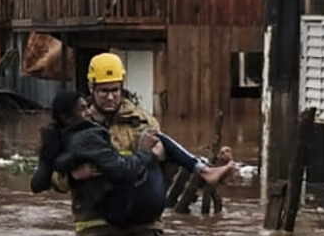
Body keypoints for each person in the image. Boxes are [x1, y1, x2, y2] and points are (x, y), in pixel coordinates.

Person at [31, 90, 233, 228]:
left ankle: (208, 170)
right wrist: (149, 154)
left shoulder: (140, 121)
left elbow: (38, 182)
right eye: (103, 91)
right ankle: (206, 170)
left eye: (115, 90)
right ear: (92, 90)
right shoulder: (87, 135)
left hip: (137, 216)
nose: (110, 97)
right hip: (102, 214)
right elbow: (122, 169)